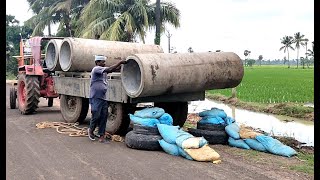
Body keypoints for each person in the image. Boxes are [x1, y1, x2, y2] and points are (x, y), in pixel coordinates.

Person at [87, 55, 127, 143]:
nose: (104, 63)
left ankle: (101, 137)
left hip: (103, 98)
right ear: (97, 62)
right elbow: (109, 69)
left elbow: (112, 69)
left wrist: (124, 65)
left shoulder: (103, 71)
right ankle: (90, 131)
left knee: (104, 117)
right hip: (96, 97)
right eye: (102, 62)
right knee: (96, 115)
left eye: (104, 62)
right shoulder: (96, 69)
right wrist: (120, 62)